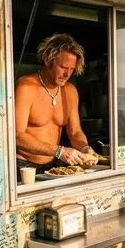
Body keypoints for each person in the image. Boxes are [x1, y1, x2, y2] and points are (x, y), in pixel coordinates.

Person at [15, 33, 95, 172]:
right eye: (63, 67)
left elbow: (75, 131)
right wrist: (59, 151)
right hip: (23, 166)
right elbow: (16, 135)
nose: (67, 74)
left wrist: (85, 148)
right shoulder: (26, 87)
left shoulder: (70, 91)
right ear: (48, 60)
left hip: (51, 167)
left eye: (71, 69)